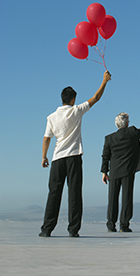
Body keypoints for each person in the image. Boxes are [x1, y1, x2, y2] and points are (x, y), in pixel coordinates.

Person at [40, 70, 112, 237]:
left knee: (54, 193)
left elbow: (46, 139)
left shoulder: (51, 117)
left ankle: (46, 229)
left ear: (61, 99)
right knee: (74, 193)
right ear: (72, 100)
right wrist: (104, 81)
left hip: (57, 158)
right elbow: (96, 98)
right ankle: (73, 230)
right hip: (73, 157)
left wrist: (44, 157)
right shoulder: (76, 111)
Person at [101, 108, 140, 233]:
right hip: (128, 171)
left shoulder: (109, 138)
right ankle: (124, 225)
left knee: (112, 199)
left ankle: (111, 225)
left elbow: (105, 156)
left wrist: (104, 172)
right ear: (127, 123)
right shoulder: (132, 132)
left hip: (114, 172)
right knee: (127, 198)